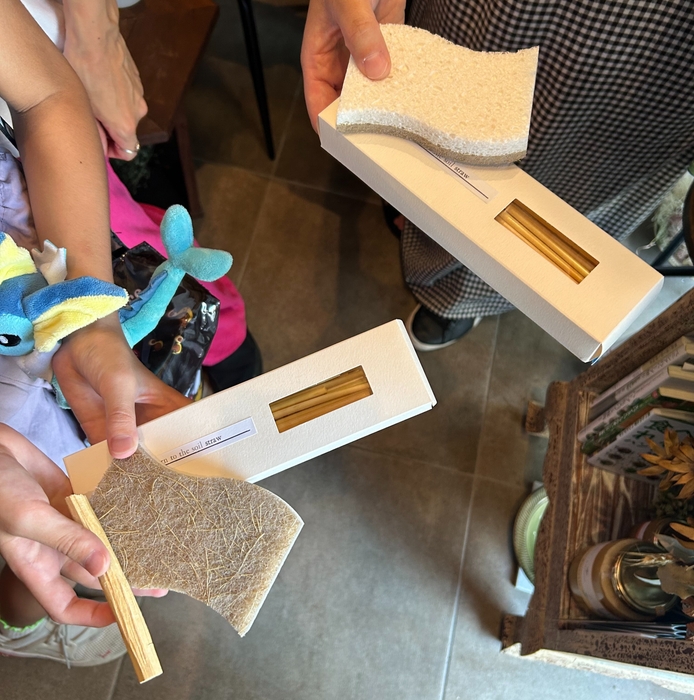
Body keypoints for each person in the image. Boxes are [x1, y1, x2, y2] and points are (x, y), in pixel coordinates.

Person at [301, 0, 694, 351]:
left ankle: (459, 299)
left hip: (651, 62)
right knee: (430, 144)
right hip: (481, 13)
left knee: (554, 207)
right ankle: (415, 223)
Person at [0, 0, 180, 665]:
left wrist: (91, 322)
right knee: (39, 550)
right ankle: (18, 623)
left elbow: (46, 95)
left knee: (56, 519)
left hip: (33, 287)